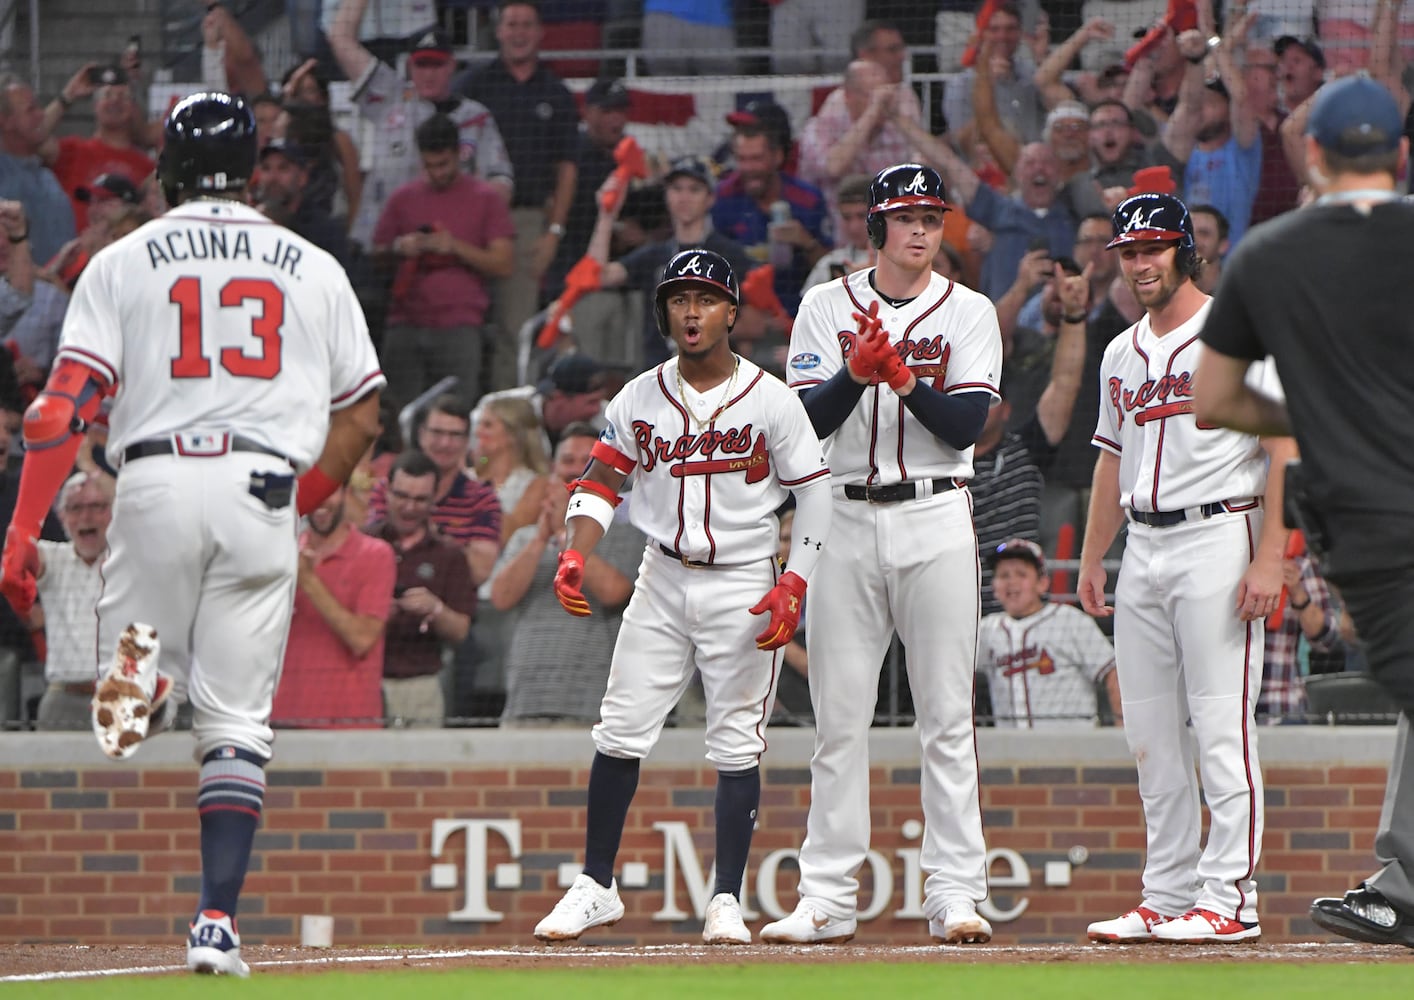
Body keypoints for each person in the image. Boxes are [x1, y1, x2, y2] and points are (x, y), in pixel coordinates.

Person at [0, 92, 383, 976]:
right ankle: (216, 921)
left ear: (165, 171)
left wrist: (21, 532)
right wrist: (300, 499)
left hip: (158, 483)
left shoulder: (123, 258)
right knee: (240, 726)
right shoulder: (313, 264)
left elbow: (59, 412)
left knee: (121, 722)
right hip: (262, 495)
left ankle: (150, 673)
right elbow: (362, 417)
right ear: (253, 172)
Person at [531, 249, 832, 946]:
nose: (690, 312)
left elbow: (815, 492)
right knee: (619, 728)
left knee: (735, 743)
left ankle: (725, 897)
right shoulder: (638, 395)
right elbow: (602, 482)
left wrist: (795, 580)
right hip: (661, 577)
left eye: (704, 299)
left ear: (732, 311)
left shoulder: (771, 397)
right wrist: (576, 550)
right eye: (678, 299)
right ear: (663, 310)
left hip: (743, 579)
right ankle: (595, 884)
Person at [1193, 75, 1414, 947]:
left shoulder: (1269, 253)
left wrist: (1322, 418)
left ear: (1313, 156)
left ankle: (1402, 887)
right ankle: (1403, 886)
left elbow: (1215, 398)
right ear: (1399, 155)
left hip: (1372, 526)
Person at [765, 163, 1001, 946]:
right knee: (839, 718)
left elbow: (966, 426)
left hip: (936, 512)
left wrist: (897, 377)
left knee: (945, 716)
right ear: (877, 226)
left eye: (931, 216)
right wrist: (853, 374)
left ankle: (956, 893)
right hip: (845, 516)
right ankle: (828, 897)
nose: (922, 229)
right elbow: (800, 423)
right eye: (905, 217)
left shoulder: (969, 310)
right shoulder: (824, 305)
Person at [1078, 190, 1292, 945]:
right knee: (1151, 734)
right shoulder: (1118, 350)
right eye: (1128, 251)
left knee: (1221, 730)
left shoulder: (1236, 332)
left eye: (1153, 248)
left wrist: (1273, 554)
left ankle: (1230, 897)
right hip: (1143, 542)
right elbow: (1110, 459)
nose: (1140, 262)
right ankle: (1167, 893)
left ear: (1184, 250)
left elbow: (1284, 448)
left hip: (1217, 535)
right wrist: (1093, 555)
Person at [456, 1, 580, 389]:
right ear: (498, 31)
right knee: (462, 324)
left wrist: (553, 232)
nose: (519, 32)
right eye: (512, 24)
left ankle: (504, 416)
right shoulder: (473, 84)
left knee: (517, 327)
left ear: (541, 32)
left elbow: (567, 168)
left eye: (527, 24)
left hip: (526, 222)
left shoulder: (556, 92)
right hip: (469, 221)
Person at [491, 422, 643, 726]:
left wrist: (565, 531)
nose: (576, 469)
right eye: (568, 461)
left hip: (588, 701)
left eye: (587, 461)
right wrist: (538, 540)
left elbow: (614, 591)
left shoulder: (626, 530)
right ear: (553, 469)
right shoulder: (526, 538)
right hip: (525, 697)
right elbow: (501, 597)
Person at [329, 6, 514, 250]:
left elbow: (501, 184)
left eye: (436, 65)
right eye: (421, 65)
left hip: (446, 250)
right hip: (379, 247)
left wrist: (464, 212)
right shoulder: (390, 95)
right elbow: (340, 38)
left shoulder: (476, 117)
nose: (428, 74)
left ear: (452, 66)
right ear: (410, 67)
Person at [371, 113, 515, 410]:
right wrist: (400, 247)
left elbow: (503, 264)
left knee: (455, 411)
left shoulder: (484, 198)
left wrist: (455, 247)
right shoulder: (403, 198)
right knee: (398, 412)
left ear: (458, 154)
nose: (436, 173)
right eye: (429, 166)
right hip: (405, 323)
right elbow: (376, 254)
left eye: (443, 164)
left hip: (460, 326)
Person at [271, 484, 395, 729]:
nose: (320, 502)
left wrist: (308, 580)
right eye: (312, 491)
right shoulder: (278, 554)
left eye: (330, 491)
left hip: (349, 724)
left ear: (347, 493)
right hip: (281, 720)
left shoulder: (376, 555)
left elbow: (361, 639)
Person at [368, 449, 476, 727]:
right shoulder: (362, 545)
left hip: (421, 685)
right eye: (402, 496)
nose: (409, 507)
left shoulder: (450, 555)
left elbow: (461, 630)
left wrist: (435, 609)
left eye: (420, 499)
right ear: (387, 491)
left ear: (434, 499)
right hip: (365, 679)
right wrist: (375, 614)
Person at [976, 537, 1120, 727]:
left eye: (1021, 574)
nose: (1012, 582)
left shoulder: (1069, 620)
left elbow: (1112, 673)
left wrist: (1122, 728)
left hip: (1074, 747)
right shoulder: (986, 630)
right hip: (1011, 751)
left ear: (1042, 583)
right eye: (1003, 576)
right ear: (994, 587)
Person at [30, 471, 114, 731]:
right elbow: (16, 553)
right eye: (75, 508)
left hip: (122, 698)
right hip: (63, 700)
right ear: (62, 517)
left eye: (96, 507)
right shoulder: (50, 556)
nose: (85, 517)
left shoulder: (130, 559)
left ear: (113, 513)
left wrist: (90, 465)